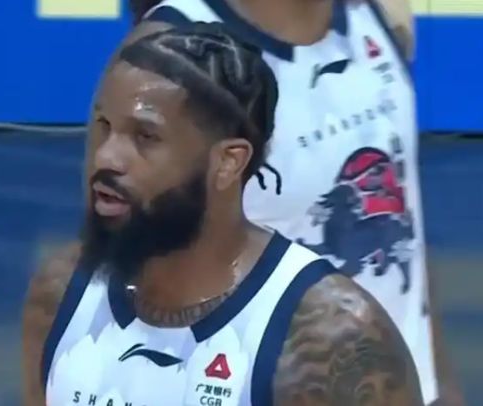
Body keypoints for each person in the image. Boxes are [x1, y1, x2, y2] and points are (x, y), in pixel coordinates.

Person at [23, 22, 424, 406]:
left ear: (229, 162)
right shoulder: (61, 293)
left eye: (145, 136)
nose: (106, 157)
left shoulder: (332, 341)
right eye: (104, 125)